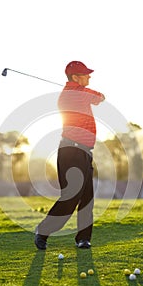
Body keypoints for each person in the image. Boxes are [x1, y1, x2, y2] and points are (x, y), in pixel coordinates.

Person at [35, 61, 105, 250]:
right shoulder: (80, 95)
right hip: (71, 152)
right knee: (71, 197)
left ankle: (83, 238)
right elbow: (100, 97)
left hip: (83, 152)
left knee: (87, 197)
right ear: (75, 77)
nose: (89, 76)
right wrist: (92, 93)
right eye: (85, 74)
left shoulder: (73, 94)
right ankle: (43, 231)